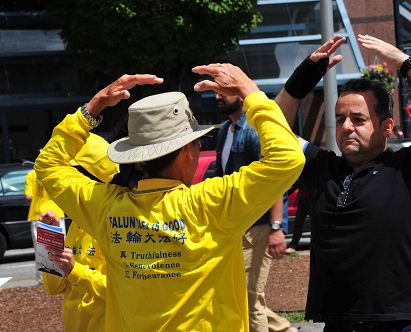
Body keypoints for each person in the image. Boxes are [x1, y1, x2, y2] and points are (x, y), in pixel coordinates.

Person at [35, 67, 304, 331]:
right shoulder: (212, 204)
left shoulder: (106, 208)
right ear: (188, 150)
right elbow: (287, 158)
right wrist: (252, 94)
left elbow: (48, 165)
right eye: (199, 143)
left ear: (137, 158)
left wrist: (92, 108)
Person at [275, 34, 411, 331]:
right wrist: (305, 76)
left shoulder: (409, 167)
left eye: (358, 119)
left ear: (386, 127)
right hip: (341, 323)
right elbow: (272, 127)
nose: (347, 127)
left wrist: (403, 62)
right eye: (340, 119)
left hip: (405, 322)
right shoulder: (320, 166)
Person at [214, 92, 295, 332]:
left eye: (224, 92)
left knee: (250, 296)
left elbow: (276, 181)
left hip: (259, 225)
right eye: (215, 92)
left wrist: (277, 228)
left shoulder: (252, 131)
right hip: (238, 225)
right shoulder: (224, 131)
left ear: (240, 95)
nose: (217, 96)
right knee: (244, 293)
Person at [41, 132, 119, 332]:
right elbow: (54, 288)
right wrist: (53, 240)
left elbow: (123, 290)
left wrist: (76, 271)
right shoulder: (77, 222)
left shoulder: (115, 224)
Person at [25, 166, 65, 283]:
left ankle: (42, 280)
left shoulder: (31, 175)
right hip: (56, 213)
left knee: (40, 249)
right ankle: (62, 276)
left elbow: (28, 196)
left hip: (39, 215)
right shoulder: (56, 173)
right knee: (60, 246)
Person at [284, 184, 310, 254]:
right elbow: (296, 184)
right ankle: (293, 246)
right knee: (298, 223)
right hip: (303, 200)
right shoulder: (302, 174)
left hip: (313, 200)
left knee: (316, 224)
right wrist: (284, 192)